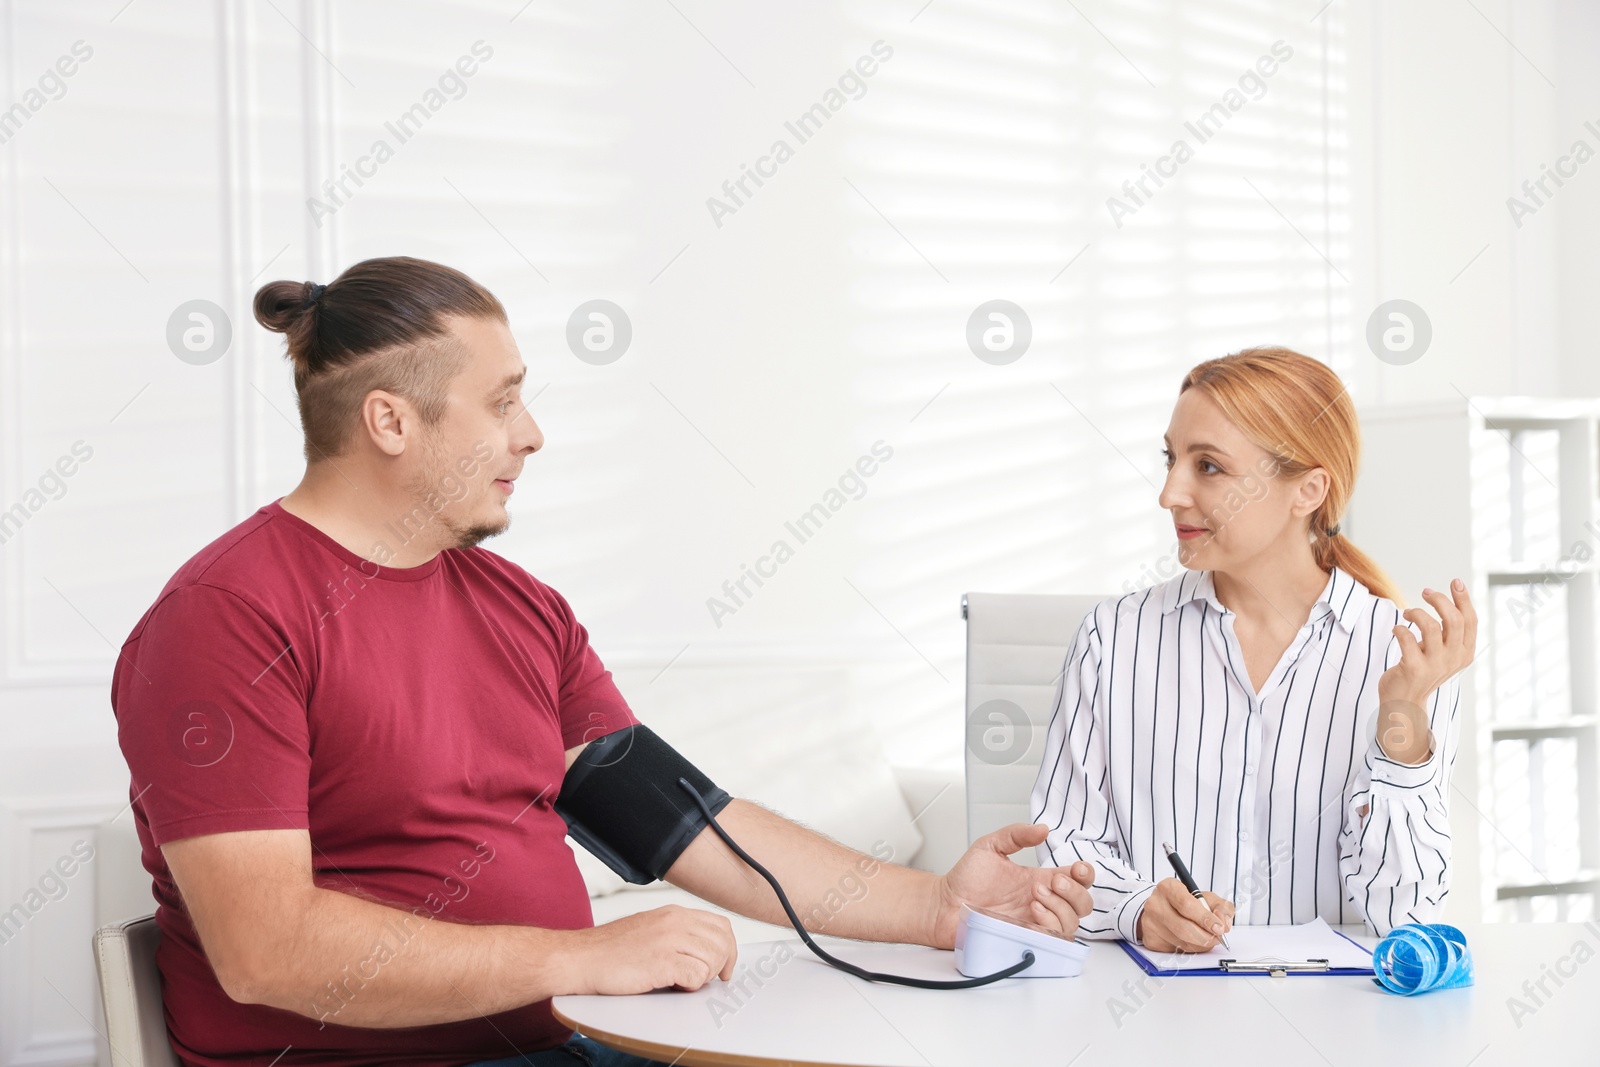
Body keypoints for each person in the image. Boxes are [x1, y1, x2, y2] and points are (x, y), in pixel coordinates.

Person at [110, 256, 1096, 1067]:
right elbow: (266, 949)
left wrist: (935, 904)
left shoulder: (518, 607)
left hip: (559, 1045)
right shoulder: (229, 619)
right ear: (390, 420)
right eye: (501, 402)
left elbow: (684, 822)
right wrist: (581, 955)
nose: (531, 435)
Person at [1028, 346, 1475, 955]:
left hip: (1330, 1026)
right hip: (1154, 1015)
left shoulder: (1400, 657)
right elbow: (1066, 846)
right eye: (1171, 459)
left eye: (1208, 466)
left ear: (1308, 490)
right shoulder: (1115, 638)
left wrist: (1402, 717)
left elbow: (1404, 914)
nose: (1169, 493)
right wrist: (1137, 909)